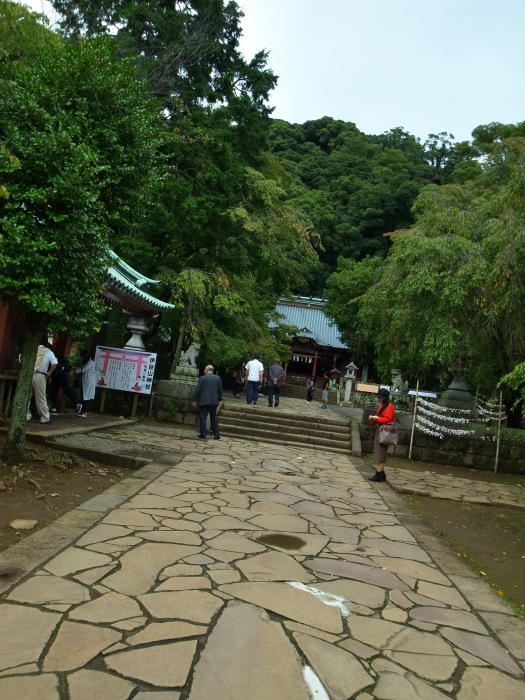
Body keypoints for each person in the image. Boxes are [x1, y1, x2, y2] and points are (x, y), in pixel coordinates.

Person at [26, 338, 58, 424]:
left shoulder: (33, 350)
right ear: (46, 344)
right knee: (41, 397)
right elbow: (55, 363)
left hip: (29, 375)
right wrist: (49, 373)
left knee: (27, 397)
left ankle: (26, 416)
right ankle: (45, 418)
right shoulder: (48, 352)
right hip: (40, 375)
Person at [368, 387, 395, 482]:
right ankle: (381, 473)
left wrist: (377, 419)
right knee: (378, 452)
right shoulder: (381, 406)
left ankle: (378, 474)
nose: (379, 399)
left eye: (380, 397)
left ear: (385, 397)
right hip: (380, 430)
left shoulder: (390, 406)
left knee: (382, 453)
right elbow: (379, 418)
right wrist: (373, 419)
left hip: (385, 432)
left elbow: (388, 419)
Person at [193, 364, 223, 440]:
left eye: (204, 369)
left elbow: (198, 390)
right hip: (213, 401)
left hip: (203, 400)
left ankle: (203, 434)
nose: (204, 371)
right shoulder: (218, 378)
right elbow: (220, 390)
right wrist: (219, 399)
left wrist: (195, 400)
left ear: (207, 370)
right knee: (213, 416)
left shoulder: (202, 378)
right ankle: (216, 434)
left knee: (203, 417)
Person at [50, 349, 81, 415]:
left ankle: (77, 403)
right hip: (57, 374)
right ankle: (53, 409)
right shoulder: (54, 352)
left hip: (60, 373)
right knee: (54, 391)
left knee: (66, 389)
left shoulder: (50, 352)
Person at [76, 349, 96, 418]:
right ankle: (82, 411)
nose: (82, 358)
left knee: (86, 397)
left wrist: (74, 371)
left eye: (83, 357)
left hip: (88, 382)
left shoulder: (91, 363)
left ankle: (85, 412)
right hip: (85, 382)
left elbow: (83, 370)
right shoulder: (86, 362)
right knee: (83, 396)